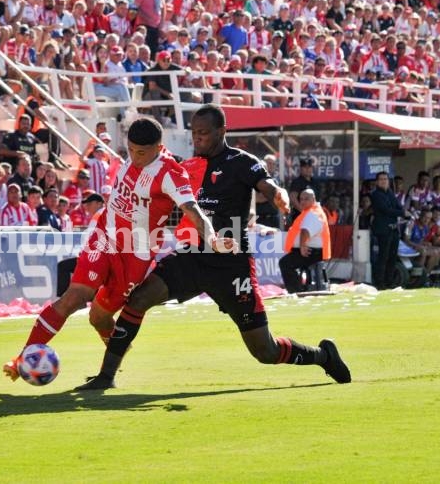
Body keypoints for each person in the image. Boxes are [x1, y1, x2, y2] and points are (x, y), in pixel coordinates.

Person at [77, 105, 350, 391]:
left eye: (204, 133)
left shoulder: (241, 161)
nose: (198, 138)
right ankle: (106, 377)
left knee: (264, 350)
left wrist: (279, 196)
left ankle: (323, 355)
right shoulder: (187, 166)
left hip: (231, 264)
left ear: (222, 131)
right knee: (138, 300)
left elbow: (267, 185)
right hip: (191, 255)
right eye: (194, 133)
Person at [3, 116, 235, 381]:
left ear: (158, 148)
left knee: (98, 317)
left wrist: (214, 239)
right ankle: (23, 359)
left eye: (142, 153)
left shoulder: (170, 173)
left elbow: (192, 209)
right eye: (131, 150)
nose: (135, 158)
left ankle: (114, 356)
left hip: (134, 255)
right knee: (73, 296)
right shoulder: (136, 153)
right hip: (104, 235)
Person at [279, 189, 331, 294]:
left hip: (311, 252)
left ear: (314, 199)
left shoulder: (313, 213)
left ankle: (296, 291)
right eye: (301, 199)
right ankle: (299, 288)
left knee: (285, 263)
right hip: (310, 250)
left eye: (306, 199)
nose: (302, 202)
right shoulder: (310, 211)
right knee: (287, 263)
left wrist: (302, 246)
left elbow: (305, 231)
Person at [370, 171, 406, 290]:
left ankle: (389, 281)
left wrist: (402, 211)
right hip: (383, 230)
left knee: (392, 256)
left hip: (394, 228)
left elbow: (397, 206)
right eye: (381, 179)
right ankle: (380, 282)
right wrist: (401, 213)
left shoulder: (390, 193)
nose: (384, 181)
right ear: (377, 182)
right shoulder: (375, 194)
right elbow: (385, 210)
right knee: (383, 256)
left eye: (386, 179)